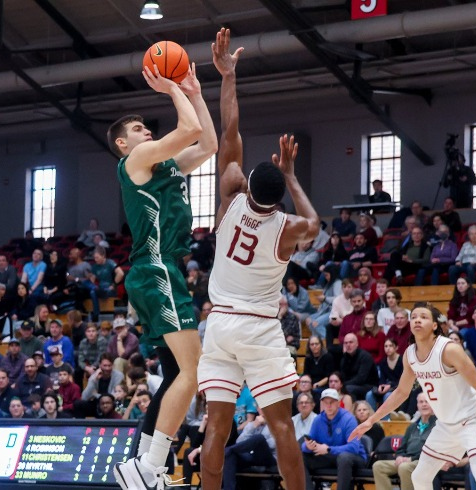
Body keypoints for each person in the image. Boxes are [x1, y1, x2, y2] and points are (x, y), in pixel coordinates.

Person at [196, 29, 319, 490]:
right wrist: (291, 175)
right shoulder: (286, 230)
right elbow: (316, 224)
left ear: (248, 183)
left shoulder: (228, 197)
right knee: (281, 424)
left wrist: (227, 74)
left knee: (216, 426)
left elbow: (230, 130)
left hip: (221, 325)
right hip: (260, 328)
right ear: (278, 194)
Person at [109, 25, 218, 490]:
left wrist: (195, 90)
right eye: (137, 129)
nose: (146, 131)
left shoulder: (166, 165)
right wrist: (172, 86)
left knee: (177, 373)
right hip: (156, 270)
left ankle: (142, 467)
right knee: (193, 373)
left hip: (161, 271)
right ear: (122, 143)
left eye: (145, 127)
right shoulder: (135, 162)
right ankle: (149, 467)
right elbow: (188, 128)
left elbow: (207, 143)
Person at [351, 304, 476, 490]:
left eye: (423, 317)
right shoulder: (410, 355)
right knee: (420, 477)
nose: (417, 320)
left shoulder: (449, 350)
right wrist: (371, 420)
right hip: (445, 426)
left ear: (435, 325)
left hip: (470, 422)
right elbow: (401, 392)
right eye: (413, 317)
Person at [301, 388, 367, 490]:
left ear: (338, 403)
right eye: (325, 402)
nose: (329, 405)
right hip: (330, 457)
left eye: (331, 402)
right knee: (300, 457)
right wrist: (308, 446)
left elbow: (354, 448)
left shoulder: (349, 419)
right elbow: (306, 444)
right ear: (321, 403)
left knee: (344, 458)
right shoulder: (318, 420)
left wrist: (328, 449)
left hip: (355, 458)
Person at [371, 392, 437, 490]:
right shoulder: (412, 426)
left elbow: (433, 450)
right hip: (406, 460)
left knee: (404, 467)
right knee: (378, 466)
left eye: (427, 402)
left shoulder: (437, 426)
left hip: (424, 461)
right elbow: (401, 447)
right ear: (417, 405)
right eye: (421, 402)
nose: (424, 404)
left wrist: (411, 459)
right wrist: (399, 457)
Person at [367, 338, 403, 411]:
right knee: (369, 394)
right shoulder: (383, 362)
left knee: (387, 396)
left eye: (390, 346)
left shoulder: (402, 360)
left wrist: (390, 385)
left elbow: (403, 380)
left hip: (399, 388)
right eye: (386, 346)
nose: (388, 348)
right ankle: (372, 418)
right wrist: (381, 386)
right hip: (388, 387)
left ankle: (385, 420)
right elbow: (382, 379)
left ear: (396, 347)